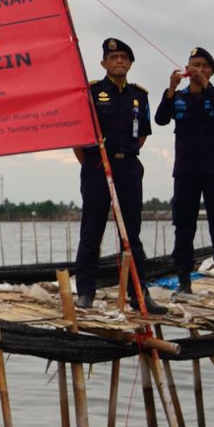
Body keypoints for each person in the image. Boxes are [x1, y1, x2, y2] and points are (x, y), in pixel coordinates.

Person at [71, 37, 158, 313]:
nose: (119, 61)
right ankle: (85, 292)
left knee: (131, 234)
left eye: (124, 57)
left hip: (128, 167)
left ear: (130, 63)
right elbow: (78, 140)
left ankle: (138, 293)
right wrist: (95, 161)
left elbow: (142, 135)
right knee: (92, 231)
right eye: (113, 58)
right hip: (97, 166)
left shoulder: (139, 95)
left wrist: (123, 155)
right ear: (103, 64)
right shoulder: (92, 92)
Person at [157, 46, 214, 299]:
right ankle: (184, 281)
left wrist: (206, 85)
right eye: (195, 65)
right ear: (186, 69)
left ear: (212, 72)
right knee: (183, 226)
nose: (199, 70)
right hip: (185, 172)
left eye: (204, 66)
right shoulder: (178, 97)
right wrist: (170, 89)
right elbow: (161, 118)